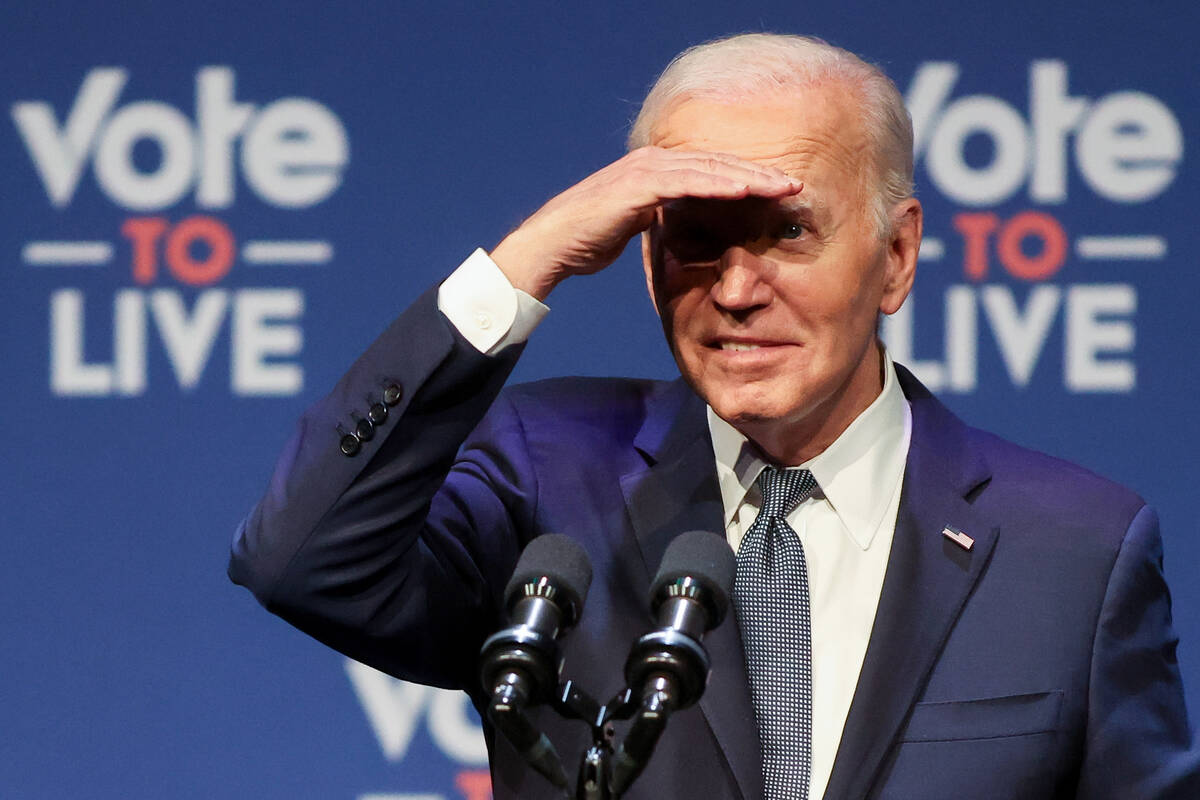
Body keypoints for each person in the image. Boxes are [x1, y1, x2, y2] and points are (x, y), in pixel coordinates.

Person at [229, 33, 1198, 799]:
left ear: (896, 256)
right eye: (694, 238)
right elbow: (301, 557)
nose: (737, 288)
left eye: (787, 232)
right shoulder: (544, 474)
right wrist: (531, 256)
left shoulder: (1076, 550)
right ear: (647, 261)